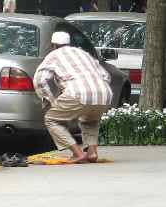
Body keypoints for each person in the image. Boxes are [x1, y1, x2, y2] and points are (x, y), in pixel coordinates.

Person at [33, 31, 112, 164]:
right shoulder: (84, 53)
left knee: (51, 119)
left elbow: (40, 80)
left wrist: (50, 100)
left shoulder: (53, 55)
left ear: (53, 45)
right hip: (104, 93)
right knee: (90, 121)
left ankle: (78, 153)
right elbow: (106, 76)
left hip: (78, 92)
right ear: (69, 43)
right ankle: (92, 153)